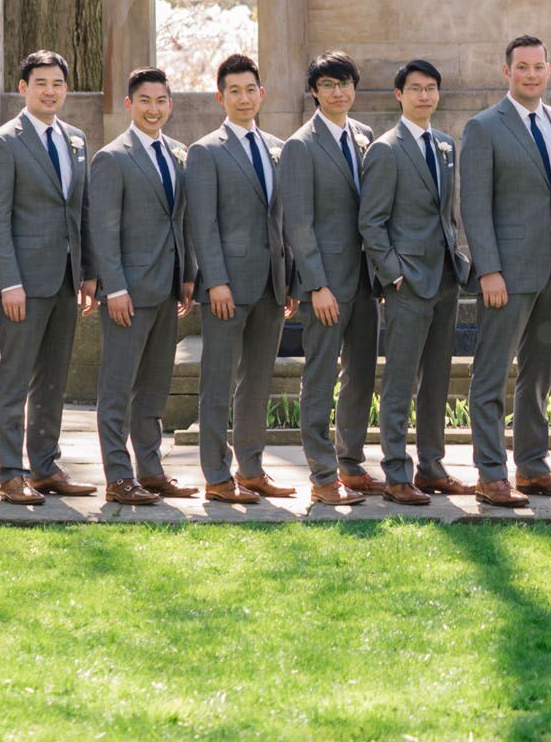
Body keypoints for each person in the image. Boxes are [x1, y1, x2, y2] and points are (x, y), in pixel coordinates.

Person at [457, 36, 551, 507]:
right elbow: (474, 204)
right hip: (505, 275)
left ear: (549, 70)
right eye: (522, 67)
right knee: (491, 373)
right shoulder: (484, 127)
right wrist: (488, 269)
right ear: (506, 71)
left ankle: (532, 467)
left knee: (539, 375)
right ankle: (490, 474)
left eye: (538, 67)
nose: (531, 74)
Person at [357, 58, 476, 506]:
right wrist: (395, 276)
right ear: (399, 95)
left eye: (431, 88)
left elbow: (446, 213)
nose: (425, 96)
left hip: (445, 277)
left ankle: (431, 466)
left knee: (437, 379)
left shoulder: (445, 144)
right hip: (407, 282)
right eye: (416, 88)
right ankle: (394, 472)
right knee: (400, 380)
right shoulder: (386, 149)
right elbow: (371, 223)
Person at [0, 51, 96, 505]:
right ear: (24, 88)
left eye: (58, 84)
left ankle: (45, 466)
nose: (50, 91)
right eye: (41, 83)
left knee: (53, 377)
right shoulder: (4, 143)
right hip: (22, 285)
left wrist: (88, 274)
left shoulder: (77, 139)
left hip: (67, 280)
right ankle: (11, 471)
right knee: (15, 378)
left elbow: (80, 209)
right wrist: (8, 282)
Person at [86, 67, 199, 506]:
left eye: (162, 101)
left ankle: (150, 471)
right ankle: (118, 476)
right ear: (130, 105)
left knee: (154, 388)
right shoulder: (112, 158)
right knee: (117, 388)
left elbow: (182, 220)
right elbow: (103, 230)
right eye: (145, 101)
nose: (155, 109)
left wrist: (187, 275)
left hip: (168, 289)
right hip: (127, 294)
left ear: (170, 105)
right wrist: (114, 289)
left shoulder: (178, 153)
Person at [186, 52, 295, 505]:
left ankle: (251, 469)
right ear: (220, 97)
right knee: (218, 381)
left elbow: (284, 219)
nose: (244, 97)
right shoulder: (205, 150)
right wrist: (215, 281)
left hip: (271, 286)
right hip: (227, 287)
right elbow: (202, 222)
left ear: (262, 94)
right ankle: (215, 473)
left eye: (251, 89)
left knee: (258, 381)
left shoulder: (277, 147)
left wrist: (289, 279)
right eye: (234, 90)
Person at [277, 50, 378, 507]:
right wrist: (315, 285)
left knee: (360, 374)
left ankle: (350, 463)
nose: (339, 92)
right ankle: (321, 475)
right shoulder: (300, 145)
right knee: (320, 375)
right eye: (329, 85)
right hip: (327, 285)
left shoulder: (364, 135)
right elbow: (298, 223)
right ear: (315, 92)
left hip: (365, 279)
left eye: (345, 83)